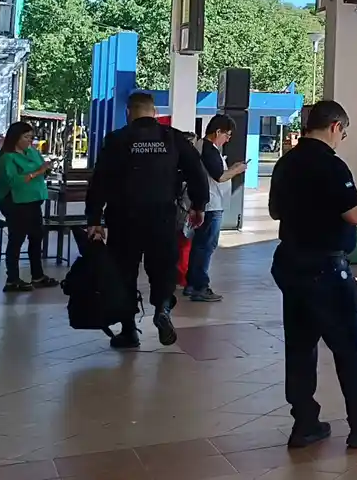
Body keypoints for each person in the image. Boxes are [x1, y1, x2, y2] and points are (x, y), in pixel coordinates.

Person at [269, 100, 357, 451]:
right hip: (326, 269)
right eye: (343, 132)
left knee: (299, 346)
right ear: (334, 126)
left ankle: (305, 423)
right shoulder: (331, 165)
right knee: (348, 347)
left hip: (291, 264)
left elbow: (274, 211)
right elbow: (356, 215)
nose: (342, 138)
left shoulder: (286, 164)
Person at [85, 92, 209, 349]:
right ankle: (162, 309)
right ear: (154, 113)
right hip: (161, 216)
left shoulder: (118, 139)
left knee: (124, 272)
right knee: (163, 267)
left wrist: (94, 217)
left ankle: (129, 331)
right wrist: (199, 206)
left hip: (123, 218)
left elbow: (100, 180)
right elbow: (197, 172)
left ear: (129, 112)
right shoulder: (173, 138)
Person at [186, 114, 244, 303]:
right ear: (217, 132)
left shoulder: (202, 147)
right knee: (206, 246)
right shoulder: (209, 149)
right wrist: (236, 170)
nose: (228, 139)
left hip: (207, 202)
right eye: (227, 135)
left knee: (200, 245)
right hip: (212, 204)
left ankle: (192, 283)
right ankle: (200, 286)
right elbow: (219, 176)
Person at [0, 121, 59, 292]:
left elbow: (41, 168)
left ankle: (37, 275)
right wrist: (37, 172)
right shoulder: (7, 158)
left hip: (34, 201)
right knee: (17, 239)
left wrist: (46, 169)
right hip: (16, 202)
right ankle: (12, 279)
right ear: (15, 138)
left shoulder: (31, 152)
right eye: (26, 137)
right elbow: (13, 181)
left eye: (31, 137)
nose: (29, 141)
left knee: (37, 237)